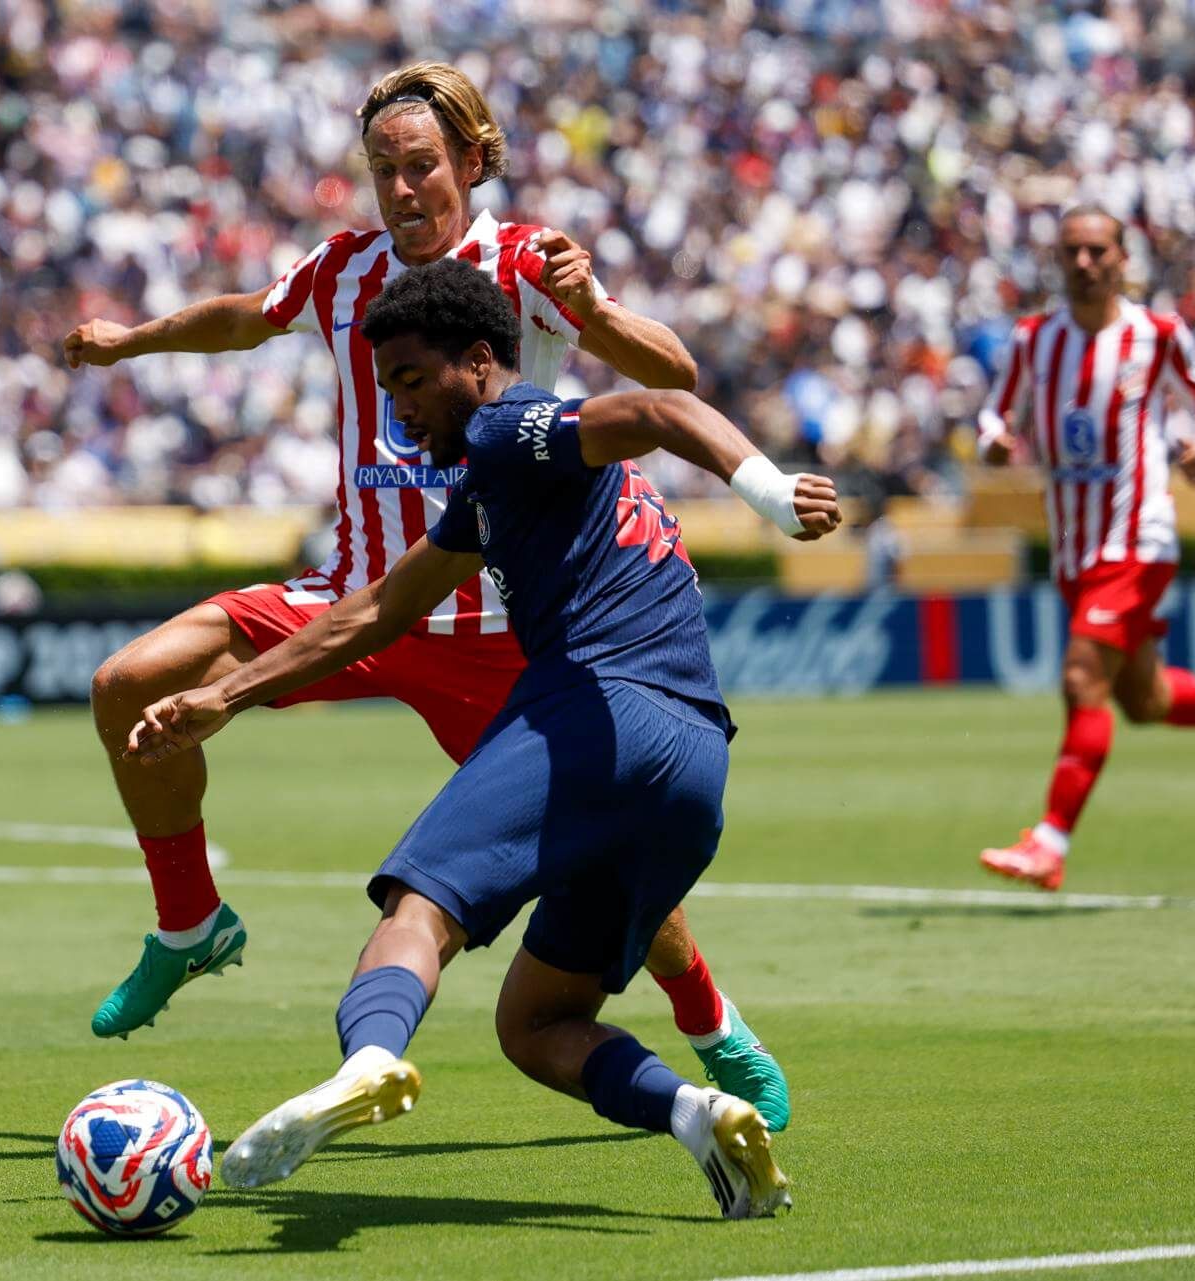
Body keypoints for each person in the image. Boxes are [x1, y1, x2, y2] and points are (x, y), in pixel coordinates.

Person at [64, 61, 786, 1124]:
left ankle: (714, 1025)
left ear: (472, 163)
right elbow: (242, 318)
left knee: (614, 869)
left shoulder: (527, 261)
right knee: (129, 686)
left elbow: (669, 371)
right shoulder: (343, 267)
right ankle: (190, 926)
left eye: (421, 169)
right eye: (383, 171)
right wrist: (132, 341)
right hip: (357, 598)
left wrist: (590, 306)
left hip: (499, 625)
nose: (401, 192)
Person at [126, 259, 838, 1216]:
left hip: (598, 712)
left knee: (419, 910)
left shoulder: (511, 427)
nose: (400, 412)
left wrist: (769, 492)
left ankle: (372, 1060)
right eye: (387, 393)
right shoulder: (499, 486)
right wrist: (228, 697)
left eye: (413, 383)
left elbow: (661, 408)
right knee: (536, 1021)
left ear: (476, 360)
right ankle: (698, 1114)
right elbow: (373, 614)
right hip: (696, 763)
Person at [975, 206, 1195, 891]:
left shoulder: (1156, 334)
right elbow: (998, 409)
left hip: (1140, 535)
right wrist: (994, 436)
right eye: (1072, 251)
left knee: (1083, 676)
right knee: (1141, 697)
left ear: (1122, 258)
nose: (1084, 263)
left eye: (1097, 251)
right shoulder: (1031, 340)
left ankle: (1049, 841)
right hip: (1076, 547)